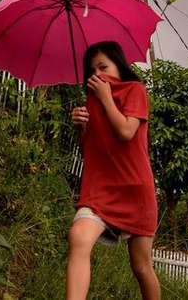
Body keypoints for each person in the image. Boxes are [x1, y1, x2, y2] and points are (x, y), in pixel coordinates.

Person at [67, 41, 160, 300]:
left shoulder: (135, 90)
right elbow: (91, 152)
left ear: (119, 67)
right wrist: (81, 126)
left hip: (135, 191)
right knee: (78, 237)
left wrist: (107, 99)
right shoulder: (91, 100)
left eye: (103, 67)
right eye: (92, 70)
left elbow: (126, 131)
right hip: (101, 191)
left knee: (141, 267)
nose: (97, 75)